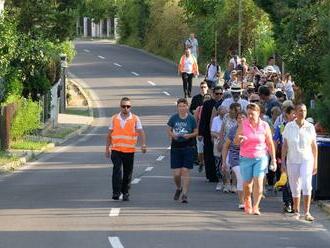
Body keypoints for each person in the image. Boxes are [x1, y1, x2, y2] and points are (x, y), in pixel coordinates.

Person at [234, 103, 276, 215]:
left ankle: (256, 206)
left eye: (252, 114)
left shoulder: (265, 125)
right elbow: (235, 142)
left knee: (258, 180)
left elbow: (270, 143)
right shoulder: (243, 124)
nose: (250, 116)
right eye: (248, 114)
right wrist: (240, 139)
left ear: (258, 113)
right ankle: (247, 200)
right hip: (246, 157)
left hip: (261, 157)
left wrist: (274, 159)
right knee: (247, 184)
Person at [105, 97, 147, 201]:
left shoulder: (135, 119)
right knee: (117, 171)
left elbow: (141, 132)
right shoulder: (114, 118)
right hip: (116, 150)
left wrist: (143, 145)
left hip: (129, 151)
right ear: (120, 107)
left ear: (130, 107)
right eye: (124, 106)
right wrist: (107, 148)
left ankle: (125, 192)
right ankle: (116, 192)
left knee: (128, 173)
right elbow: (109, 134)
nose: (126, 108)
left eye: (128, 106)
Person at [281, 104, 318, 221]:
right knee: (294, 186)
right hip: (292, 160)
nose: (302, 113)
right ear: (295, 113)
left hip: (306, 159)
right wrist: (282, 162)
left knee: (307, 185)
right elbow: (285, 146)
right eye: (300, 111)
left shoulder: (310, 127)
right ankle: (296, 211)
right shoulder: (289, 126)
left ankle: (307, 212)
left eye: (304, 110)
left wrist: (315, 162)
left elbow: (314, 146)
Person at [167, 98, 198, 203]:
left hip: (188, 146)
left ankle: (184, 194)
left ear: (187, 107)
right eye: (180, 106)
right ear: (177, 107)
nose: (182, 108)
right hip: (176, 146)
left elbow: (196, 131)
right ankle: (179, 188)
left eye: (184, 106)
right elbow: (168, 129)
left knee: (185, 171)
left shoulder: (191, 118)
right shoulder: (174, 118)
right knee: (177, 173)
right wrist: (173, 136)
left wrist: (189, 135)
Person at [273, 105, 295, 213]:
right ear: (287, 115)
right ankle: (288, 203)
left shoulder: (301, 127)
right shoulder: (281, 126)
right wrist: (273, 157)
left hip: (297, 157)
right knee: (286, 180)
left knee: (295, 181)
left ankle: (294, 202)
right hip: (285, 156)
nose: (295, 116)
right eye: (293, 114)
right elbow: (276, 140)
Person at [199, 86, 224, 182]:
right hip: (208, 132)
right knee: (209, 154)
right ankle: (211, 174)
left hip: (220, 132)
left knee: (220, 154)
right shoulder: (207, 104)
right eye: (216, 93)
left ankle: (221, 174)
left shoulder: (223, 103)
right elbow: (203, 119)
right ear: (213, 94)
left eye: (220, 93)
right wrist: (201, 133)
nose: (218, 95)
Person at [223, 112, 245, 209]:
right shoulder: (232, 130)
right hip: (235, 157)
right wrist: (224, 162)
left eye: (243, 118)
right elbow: (226, 146)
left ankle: (248, 199)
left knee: (248, 180)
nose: (241, 120)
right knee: (240, 177)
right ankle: (242, 202)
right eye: (239, 118)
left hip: (248, 157)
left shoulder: (252, 129)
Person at [219, 103, 241, 193]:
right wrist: (220, 141)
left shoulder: (240, 119)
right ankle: (227, 183)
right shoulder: (226, 117)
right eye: (235, 110)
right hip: (226, 144)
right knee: (226, 165)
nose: (237, 112)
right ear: (231, 109)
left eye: (239, 110)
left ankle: (234, 185)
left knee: (235, 165)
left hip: (236, 146)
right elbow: (222, 129)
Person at [194, 93, 212, 172]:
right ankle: (201, 162)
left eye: (208, 98)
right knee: (200, 150)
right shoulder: (199, 108)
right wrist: (198, 133)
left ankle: (207, 164)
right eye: (205, 98)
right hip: (200, 132)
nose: (207, 99)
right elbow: (195, 121)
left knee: (208, 150)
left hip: (209, 132)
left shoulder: (212, 107)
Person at [210, 105, 227, 190]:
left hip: (227, 143)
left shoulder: (228, 120)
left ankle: (227, 182)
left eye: (225, 111)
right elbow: (212, 132)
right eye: (221, 111)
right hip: (218, 142)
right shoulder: (215, 119)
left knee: (226, 163)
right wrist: (219, 136)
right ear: (218, 112)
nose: (223, 112)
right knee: (218, 163)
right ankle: (220, 182)